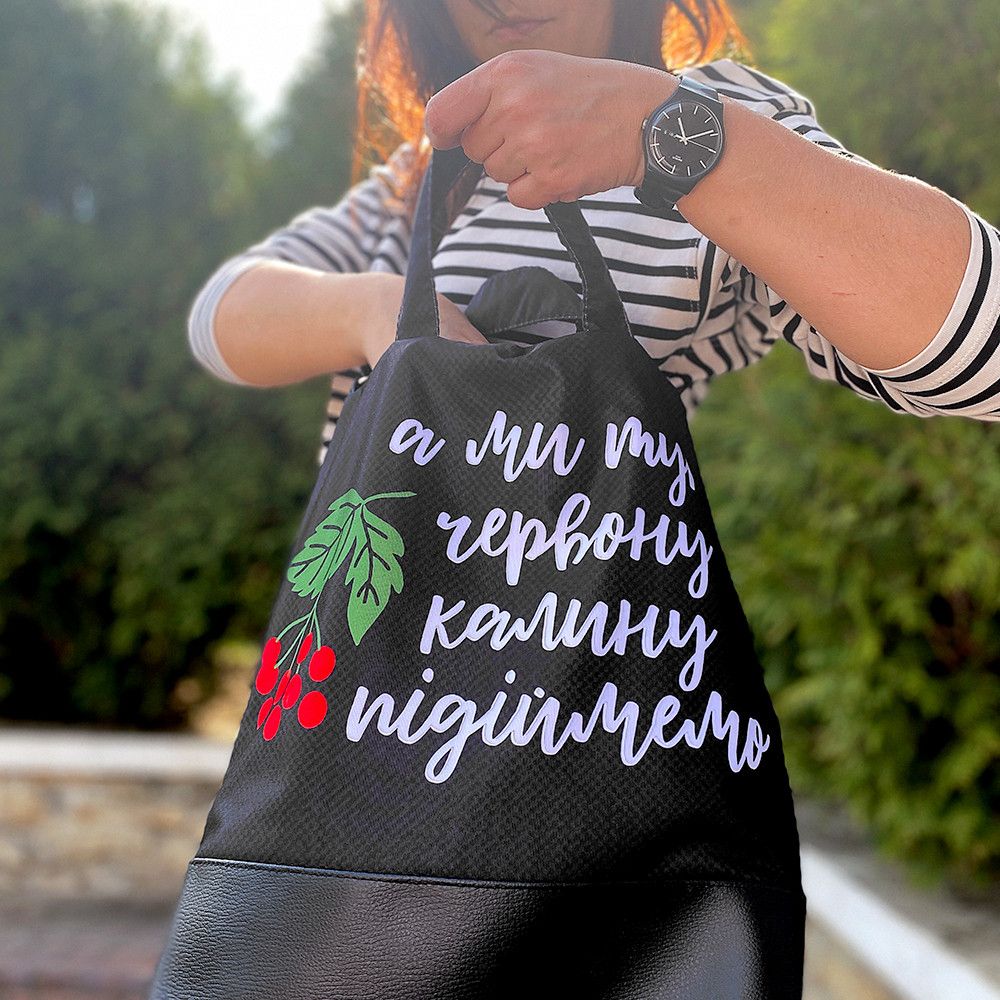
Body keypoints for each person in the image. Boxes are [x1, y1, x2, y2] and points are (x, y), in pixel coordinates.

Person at [189, 0, 1000, 456]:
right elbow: (220, 318)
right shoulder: (423, 178)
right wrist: (379, 312)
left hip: (577, 685)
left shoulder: (717, 117)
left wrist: (665, 134)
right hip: (366, 683)